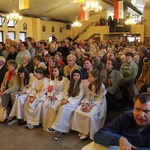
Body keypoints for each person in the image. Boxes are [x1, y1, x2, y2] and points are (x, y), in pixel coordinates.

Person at [49, 69, 84, 140]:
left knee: (63, 108)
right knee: (56, 106)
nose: (76, 77)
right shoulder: (70, 82)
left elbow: (79, 96)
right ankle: (57, 126)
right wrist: (64, 99)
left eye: (77, 75)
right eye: (74, 75)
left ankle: (59, 130)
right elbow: (66, 92)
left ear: (80, 76)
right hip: (67, 99)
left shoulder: (81, 84)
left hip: (74, 102)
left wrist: (68, 101)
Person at [71, 69, 107, 140]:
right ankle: (82, 129)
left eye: (90, 77)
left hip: (97, 103)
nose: (88, 78)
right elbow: (87, 95)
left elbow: (100, 99)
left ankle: (87, 132)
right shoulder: (88, 84)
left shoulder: (101, 86)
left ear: (96, 78)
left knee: (90, 115)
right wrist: (85, 104)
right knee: (78, 111)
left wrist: (90, 106)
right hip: (89, 100)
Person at [42, 66, 69, 130]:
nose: (53, 72)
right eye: (53, 71)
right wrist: (50, 95)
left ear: (60, 71)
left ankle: (53, 126)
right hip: (52, 96)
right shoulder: (52, 79)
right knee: (45, 105)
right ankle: (46, 125)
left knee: (54, 108)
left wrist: (56, 97)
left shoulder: (65, 79)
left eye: (55, 71)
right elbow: (49, 89)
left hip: (59, 96)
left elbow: (65, 90)